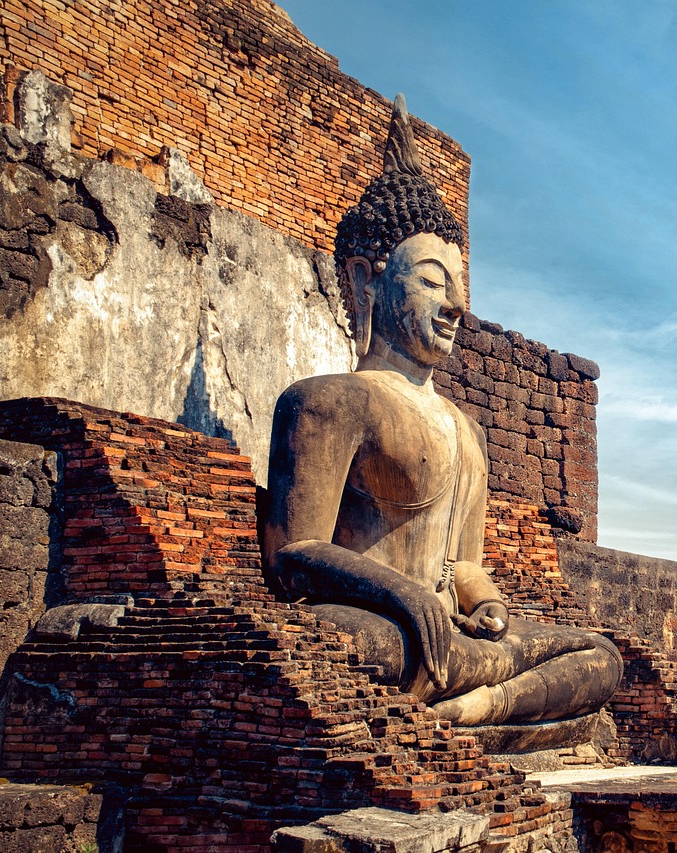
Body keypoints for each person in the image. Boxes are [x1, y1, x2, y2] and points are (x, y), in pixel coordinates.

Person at [262, 97, 621, 733]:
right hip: (374, 625)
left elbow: (461, 564)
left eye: (459, 285)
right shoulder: (329, 401)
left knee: (601, 658)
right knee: (342, 643)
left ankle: (477, 710)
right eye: (432, 281)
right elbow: (296, 552)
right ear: (365, 281)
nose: (456, 304)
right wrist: (399, 595)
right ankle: (490, 713)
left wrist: (487, 605)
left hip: (447, 637)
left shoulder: (466, 429)